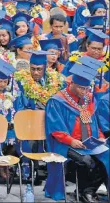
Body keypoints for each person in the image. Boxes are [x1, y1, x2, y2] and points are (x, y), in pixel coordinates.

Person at [45, 63, 109, 201]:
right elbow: (56, 130)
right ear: (71, 83)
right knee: (87, 161)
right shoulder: (57, 101)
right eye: (81, 87)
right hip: (65, 144)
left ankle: (88, 191)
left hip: (87, 143)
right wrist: (72, 141)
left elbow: (93, 122)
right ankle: (83, 192)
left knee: (107, 155)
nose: (84, 91)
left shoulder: (87, 99)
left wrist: (100, 137)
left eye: (87, 88)